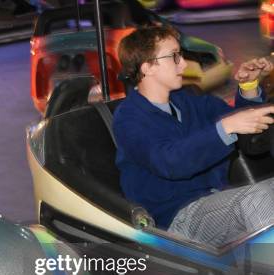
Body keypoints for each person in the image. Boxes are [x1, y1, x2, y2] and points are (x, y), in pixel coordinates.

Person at [113, 25, 274, 247]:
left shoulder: (187, 100)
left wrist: (248, 86)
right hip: (174, 218)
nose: (184, 63)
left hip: (214, 199)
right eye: (174, 56)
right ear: (148, 67)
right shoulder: (129, 118)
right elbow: (170, 162)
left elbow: (239, 119)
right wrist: (225, 128)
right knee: (261, 198)